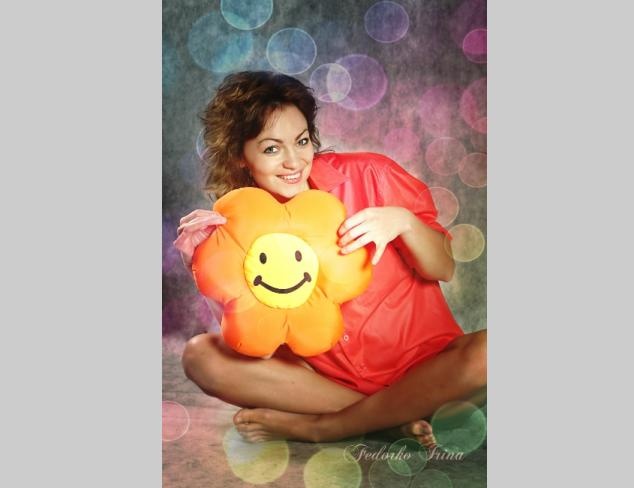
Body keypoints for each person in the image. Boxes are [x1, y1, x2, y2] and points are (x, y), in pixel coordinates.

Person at [174, 71, 486, 446]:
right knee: (200, 356)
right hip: (330, 385)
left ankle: (324, 427)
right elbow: (257, 341)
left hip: (433, 369)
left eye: (302, 141)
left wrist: (403, 222)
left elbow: (444, 267)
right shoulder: (237, 224)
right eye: (271, 149)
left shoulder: (371, 174)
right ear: (240, 156)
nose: (294, 162)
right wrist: (204, 265)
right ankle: (388, 420)